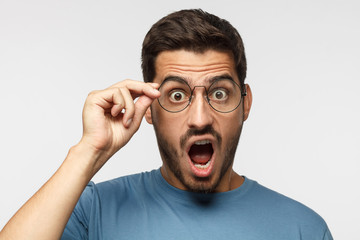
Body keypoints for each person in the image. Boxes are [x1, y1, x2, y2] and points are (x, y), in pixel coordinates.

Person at [0, 9, 333, 240]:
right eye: (176, 95)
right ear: (148, 108)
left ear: (245, 102)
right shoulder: (93, 211)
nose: (200, 119)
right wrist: (88, 151)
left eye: (219, 93)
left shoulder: (303, 228)